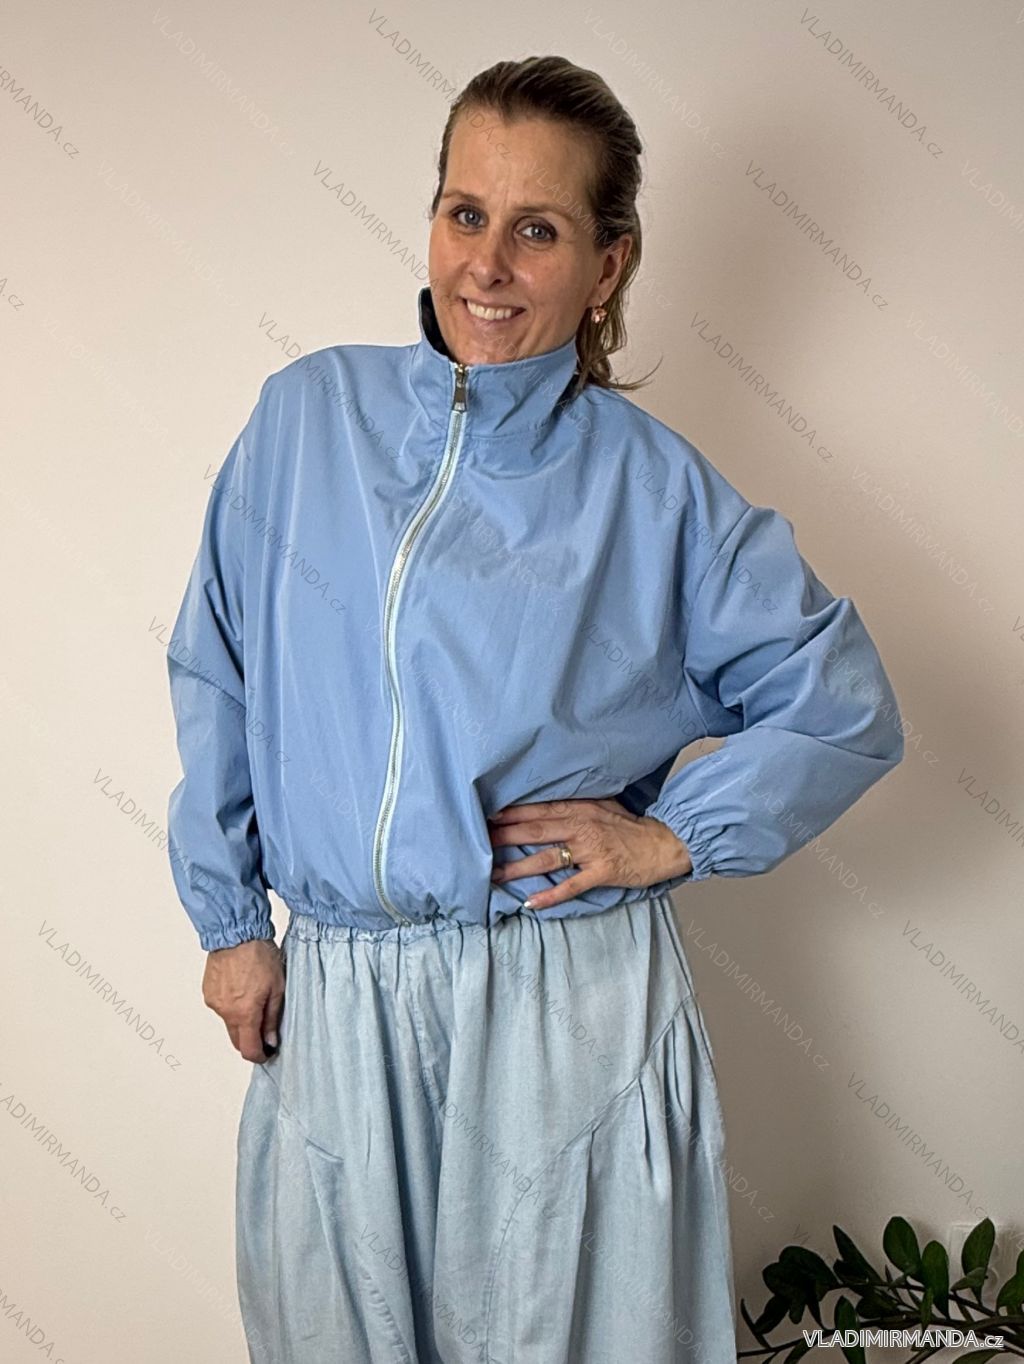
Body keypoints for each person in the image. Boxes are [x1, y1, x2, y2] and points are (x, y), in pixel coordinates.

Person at [165, 55, 904, 1364]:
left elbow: (843, 703)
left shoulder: (656, 493)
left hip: (564, 1000)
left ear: (607, 266)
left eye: (539, 229)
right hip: (340, 1003)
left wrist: (671, 836)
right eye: (466, 213)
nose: (489, 266)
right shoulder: (307, 421)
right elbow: (216, 666)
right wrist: (231, 924)